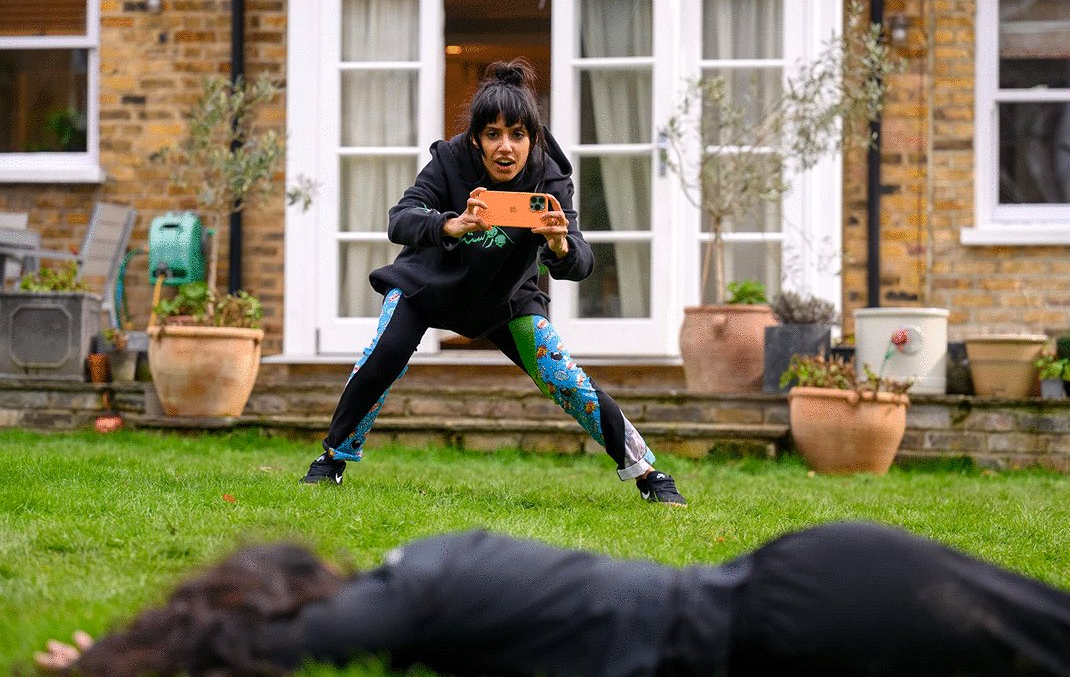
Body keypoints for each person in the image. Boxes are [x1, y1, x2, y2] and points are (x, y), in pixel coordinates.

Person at [298, 58, 685, 506]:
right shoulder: (449, 161)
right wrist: (449, 225)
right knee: (383, 355)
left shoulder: (550, 178)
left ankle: (647, 473)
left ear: (532, 138)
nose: (506, 148)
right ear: (477, 140)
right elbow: (401, 219)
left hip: (505, 299)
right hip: (427, 286)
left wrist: (559, 245)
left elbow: (580, 262)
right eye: (493, 135)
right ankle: (332, 458)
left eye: (517, 135)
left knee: (562, 374)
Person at [37, 521, 1070, 676]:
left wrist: (106, 665)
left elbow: (266, 643)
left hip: (788, 614)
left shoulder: (418, 591)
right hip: (800, 583)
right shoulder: (432, 568)